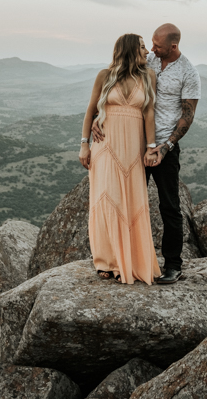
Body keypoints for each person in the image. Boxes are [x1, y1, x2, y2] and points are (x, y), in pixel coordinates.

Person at [91, 23, 200, 285]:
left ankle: (173, 265)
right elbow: (117, 80)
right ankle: (119, 258)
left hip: (162, 147)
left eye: (157, 45)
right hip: (130, 145)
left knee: (169, 206)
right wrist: (100, 117)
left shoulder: (189, 73)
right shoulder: (147, 59)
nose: (151, 49)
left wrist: (165, 146)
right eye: (150, 43)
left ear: (173, 47)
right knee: (124, 202)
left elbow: (188, 116)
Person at [78, 34, 162, 285]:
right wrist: (84, 145)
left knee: (132, 201)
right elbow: (91, 110)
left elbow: (149, 112)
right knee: (106, 199)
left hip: (133, 150)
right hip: (105, 146)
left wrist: (150, 148)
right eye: (143, 47)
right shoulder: (104, 76)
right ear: (130, 50)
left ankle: (131, 259)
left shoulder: (148, 77)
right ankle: (106, 261)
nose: (148, 52)